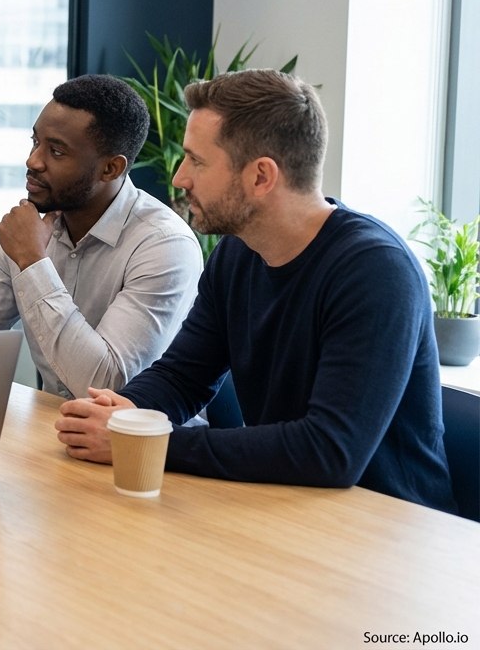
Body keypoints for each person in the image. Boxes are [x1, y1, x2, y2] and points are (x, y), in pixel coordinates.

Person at [54, 69, 455, 512]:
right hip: (289, 506)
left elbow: (329, 451)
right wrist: (124, 410)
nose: (179, 179)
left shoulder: (375, 272)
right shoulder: (237, 253)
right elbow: (184, 376)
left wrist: (147, 442)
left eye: (197, 161)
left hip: (391, 531)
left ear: (261, 176)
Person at [0, 75, 202, 399]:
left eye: (56, 151)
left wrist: (33, 263)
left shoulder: (163, 245)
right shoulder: (29, 229)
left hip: (140, 443)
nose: (33, 161)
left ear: (111, 169)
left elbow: (105, 386)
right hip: (52, 431)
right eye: (35, 142)